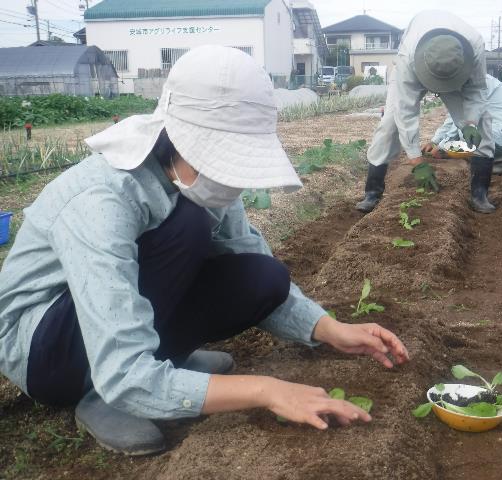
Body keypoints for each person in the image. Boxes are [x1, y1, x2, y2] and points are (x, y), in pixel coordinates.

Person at [0, 46, 409, 456]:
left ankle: (164, 366)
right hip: (46, 352)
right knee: (190, 225)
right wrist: (266, 390)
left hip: (100, 320)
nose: (230, 184)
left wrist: (330, 330)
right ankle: (102, 393)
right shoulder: (102, 199)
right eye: (220, 162)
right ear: (176, 139)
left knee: (261, 277)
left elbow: (247, 256)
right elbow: (120, 353)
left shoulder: (195, 180)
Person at [356, 10, 496, 214]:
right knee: (389, 125)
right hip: (414, 67)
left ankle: (480, 194)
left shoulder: (475, 45)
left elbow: (477, 90)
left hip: (456, 74)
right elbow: (405, 112)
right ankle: (372, 192)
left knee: (483, 123)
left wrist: (471, 123)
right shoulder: (408, 59)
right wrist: (416, 161)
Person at [424, 74, 502, 175]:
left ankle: (499, 163)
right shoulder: (465, 80)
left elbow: (462, 121)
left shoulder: (475, 84)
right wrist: (435, 141)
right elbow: (453, 117)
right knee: (465, 133)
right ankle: (496, 152)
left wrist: (442, 147)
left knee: (466, 133)